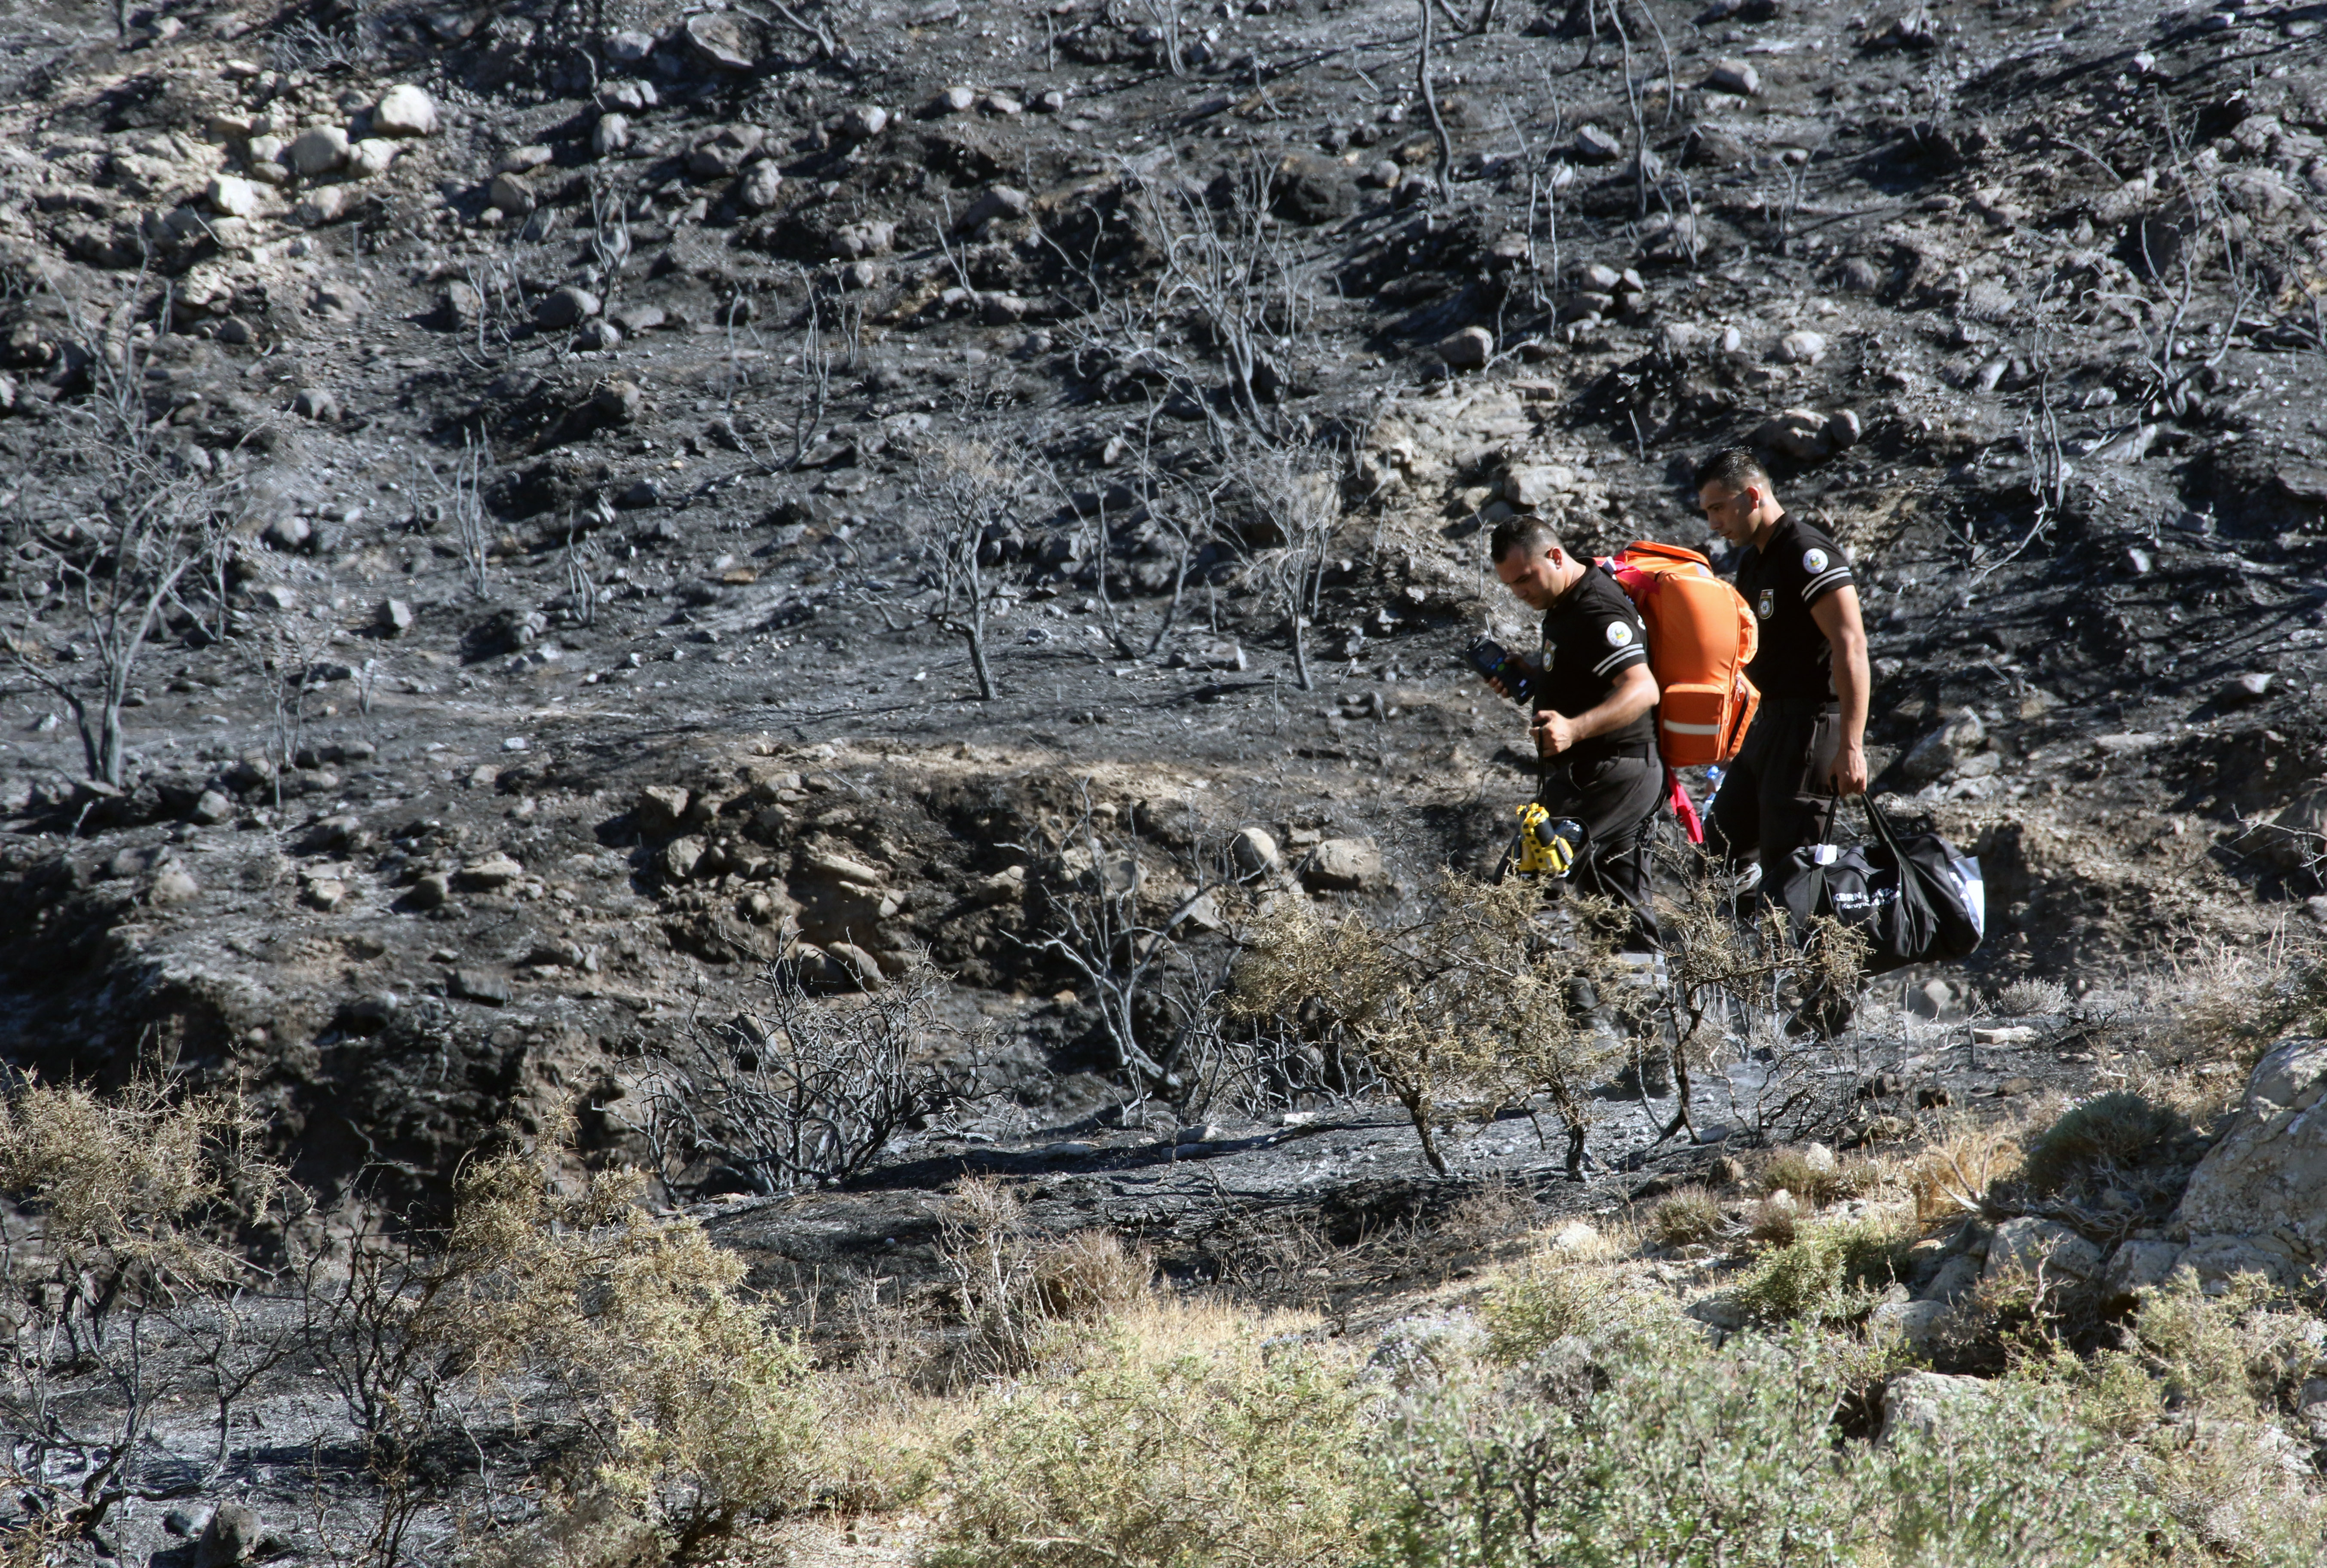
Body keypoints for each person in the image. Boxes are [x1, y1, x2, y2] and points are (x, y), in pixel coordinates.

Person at [1695, 447, 1871, 1027]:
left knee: (1795, 866)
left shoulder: (1805, 552)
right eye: (1708, 512)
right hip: (1767, 726)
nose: (1715, 523)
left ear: (1753, 496)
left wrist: (1850, 743)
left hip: (1812, 726)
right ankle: (1745, 974)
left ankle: (1832, 1001)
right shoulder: (1754, 563)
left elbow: (1850, 645)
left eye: (1720, 508)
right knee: (1716, 852)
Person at [1486, 516, 1664, 952]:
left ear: (1554, 555)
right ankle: (1655, 1017)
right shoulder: (1564, 606)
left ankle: (1560, 1006)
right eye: (1510, 586)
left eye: (1525, 578)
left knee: (1519, 889)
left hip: (1609, 774)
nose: (1519, 592)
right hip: (1608, 773)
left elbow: (1642, 689)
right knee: (1618, 917)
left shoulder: (1595, 607)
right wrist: (1533, 675)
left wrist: (1573, 728)